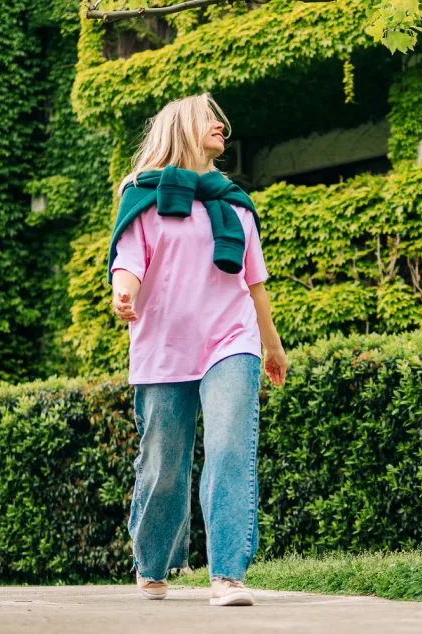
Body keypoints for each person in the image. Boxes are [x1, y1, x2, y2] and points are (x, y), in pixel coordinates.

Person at [107, 92, 288, 607]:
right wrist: (124, 292)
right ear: (182, 127)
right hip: (163, 345)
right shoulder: (142, 194)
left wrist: (271, 346)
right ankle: (153, 561)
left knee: (231, 446)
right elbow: (128, 257)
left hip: (230, 340)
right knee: (164, 461)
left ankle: (227, 574)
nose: (221, 127)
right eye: (210, 119)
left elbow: (254, 283)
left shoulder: (234, 203)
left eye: (222, 121)